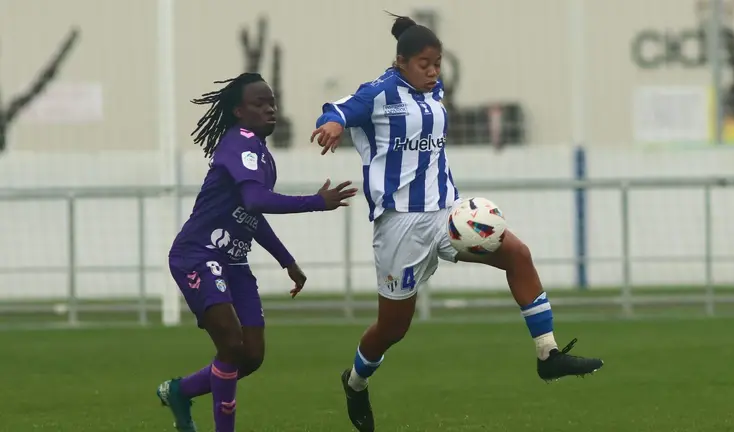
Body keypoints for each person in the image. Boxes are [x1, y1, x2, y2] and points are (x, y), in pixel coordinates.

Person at [311, 15, 604, 432]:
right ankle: (355, 382)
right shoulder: (378, 94)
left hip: (447, 216)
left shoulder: (435, 91)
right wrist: (333, 123)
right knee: (393, 329)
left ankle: (548, 355)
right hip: (399, 227)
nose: (433, 72)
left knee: (518, 254)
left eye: (437, 63)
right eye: (424, 64)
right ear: (401, 63)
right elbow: (339, 108)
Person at [156, 72, 357, 432]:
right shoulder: (239, 143)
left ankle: (179, 391)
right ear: (238, 111)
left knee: (252, 355)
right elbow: (255, 199)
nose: (270, 109)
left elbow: (251, 215)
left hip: (233, 261)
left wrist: (287, 261)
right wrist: (317, 201)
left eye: (272, 102)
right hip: (199, 254)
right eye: (259, 103)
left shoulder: (263, 156)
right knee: (231, 346)